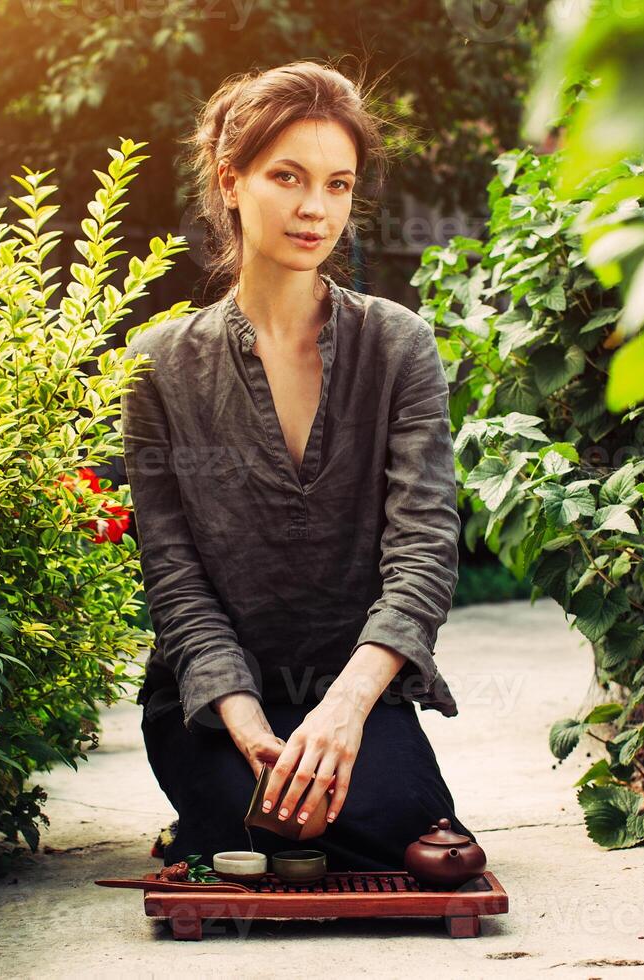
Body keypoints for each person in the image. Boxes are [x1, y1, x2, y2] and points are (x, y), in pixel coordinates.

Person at [122, 60, 476, 873]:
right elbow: (173, 575)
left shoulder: (399, 346)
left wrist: (348, 707)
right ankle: (215, 813)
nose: (316, 208)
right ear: (231, 180)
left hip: (352, 686)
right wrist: (246, 720)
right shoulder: (159, 367)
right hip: (214, 701)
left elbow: (424, 548)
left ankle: (248, 820)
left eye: (339, 183)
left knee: (400, 820)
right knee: (264, 815)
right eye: (287, 176)